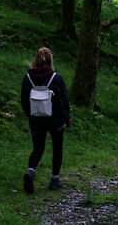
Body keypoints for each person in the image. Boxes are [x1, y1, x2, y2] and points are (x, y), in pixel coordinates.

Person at [21, 47, 71, 193]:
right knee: (57, 148)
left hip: (36, 119)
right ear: (50, 61)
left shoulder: (28, 78)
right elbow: (63, 101)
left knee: (37, 148)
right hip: (54, 120)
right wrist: (66, 118)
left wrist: (29, 115)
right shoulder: (56, 78)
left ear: (36, 59)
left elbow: (24, 100)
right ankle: (55, 179)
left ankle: (30, 171)